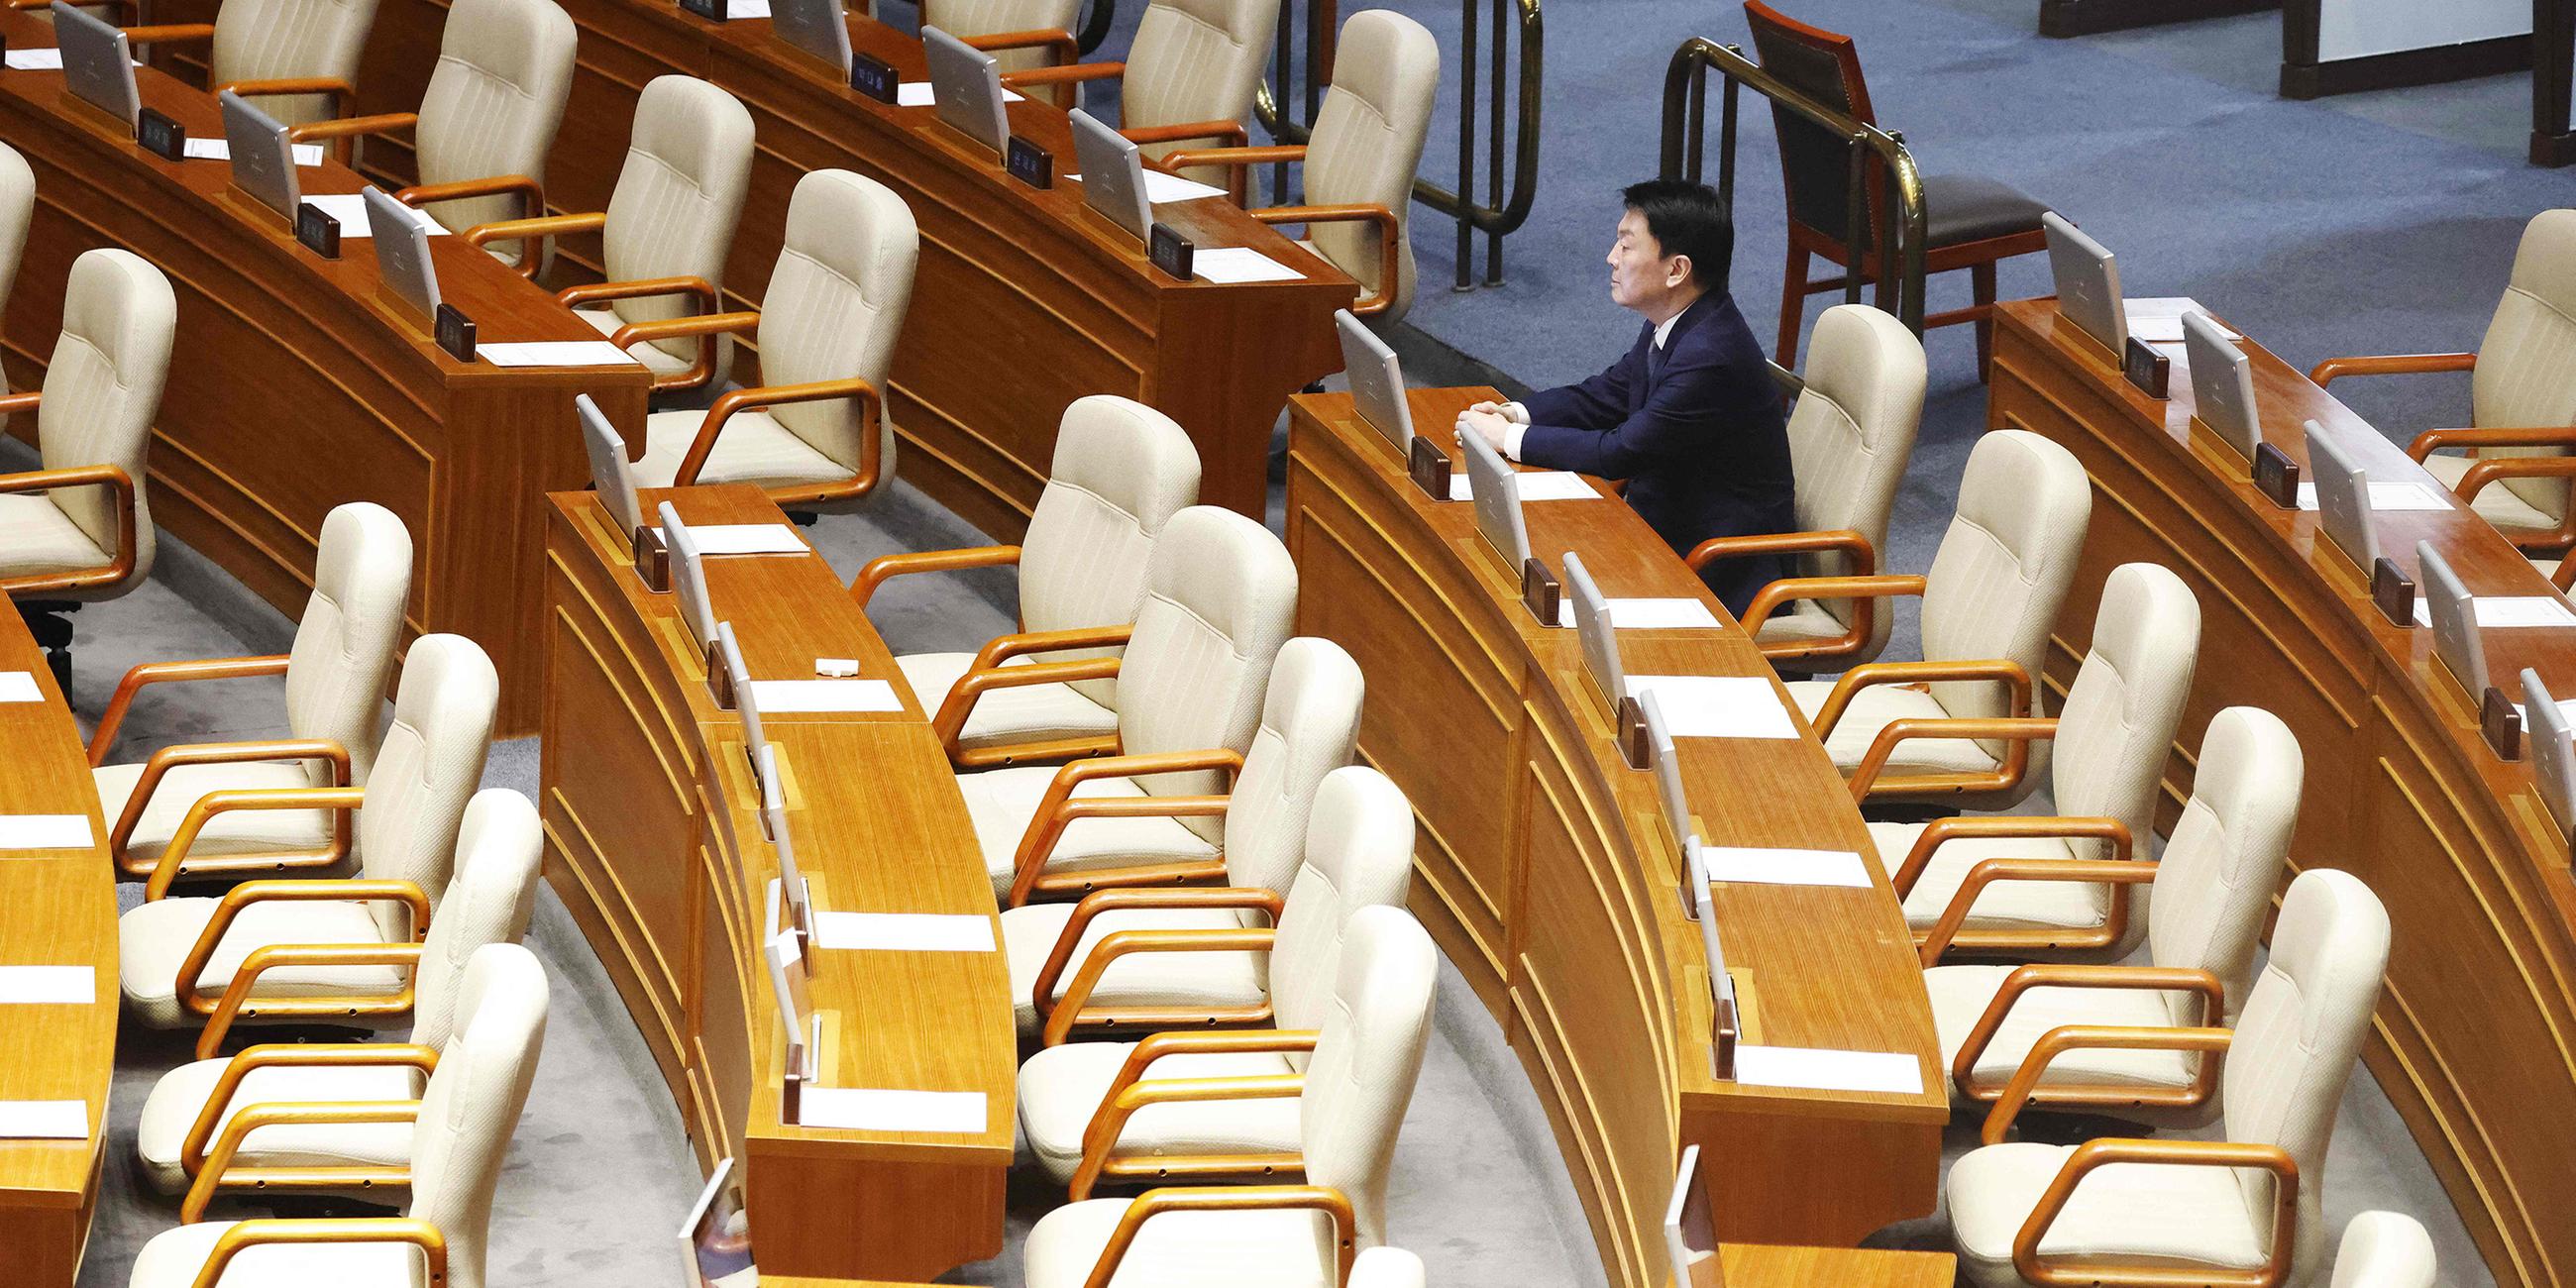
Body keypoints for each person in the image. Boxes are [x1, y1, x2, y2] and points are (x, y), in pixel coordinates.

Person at [1454, 179, 1794, 616]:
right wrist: (1514, 413)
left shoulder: (1711, 354)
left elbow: (1620, 451)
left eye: (1626, 247)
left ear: (1677, 270)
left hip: (1716, 569)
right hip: (1661, 531)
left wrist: (1507, 438)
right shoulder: (1681, 319)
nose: (1611, 258)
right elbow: (1609, 393)